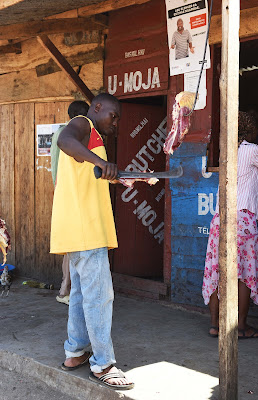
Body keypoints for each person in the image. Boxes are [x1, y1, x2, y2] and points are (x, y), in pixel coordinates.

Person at [50, 93, 134, 390]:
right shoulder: (82, 123)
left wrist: (116, 175)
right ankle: (103, 363)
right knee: (99, 295)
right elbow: (63, 140)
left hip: (78, 229)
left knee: (82, 295)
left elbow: (88, 173)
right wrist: (101, 160)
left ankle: (75, 351)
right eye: (114, 115)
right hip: (86, 229)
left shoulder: (93, 134)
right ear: (97, 108)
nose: (117, 123)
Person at [202, 111, 258, 339]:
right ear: (251, 130)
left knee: (217, 271)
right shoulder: (253, 151)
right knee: (244, 275)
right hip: (242, 219)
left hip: (220, 218)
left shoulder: (226, 150)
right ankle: (240, 327)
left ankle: (214, 325)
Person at [50, 100, 89, 306]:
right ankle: (66, 289)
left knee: (70, 245)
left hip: (63, 193)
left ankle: (67, 289)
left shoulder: (61, 132)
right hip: (69, 194)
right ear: (81, 116)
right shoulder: (70, 135)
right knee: (71, 246)